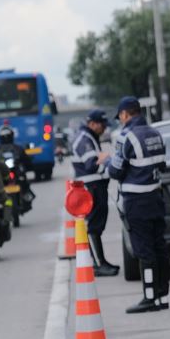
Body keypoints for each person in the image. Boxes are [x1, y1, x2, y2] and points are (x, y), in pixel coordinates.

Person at [108, 96, 169, 313]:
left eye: (121, 117)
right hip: (155, 197)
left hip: (136, 200)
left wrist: (107, 161)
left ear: (125, 114)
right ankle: (162, 296)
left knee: (144, 251)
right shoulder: (156, 133)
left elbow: (115, 170)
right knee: (159, 246)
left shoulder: (126, 136)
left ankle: (149, 297)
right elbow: (162, 165)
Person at [72, 109, 119, 277]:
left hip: (96, 187)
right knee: (93, 226)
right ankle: (98, 264)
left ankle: (101, 262)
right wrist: (106, 160)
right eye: (102, 125)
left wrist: (103, 158)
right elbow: (91, 164)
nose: (104, 128)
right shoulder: (85, 140)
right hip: (91, 188)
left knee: (96, 226)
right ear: (92, 123)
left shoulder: (89, 137)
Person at [0, 123, 36, 215]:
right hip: (2, 174)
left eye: (7, 135)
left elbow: (26, 160)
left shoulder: (18, 148)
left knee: (25, 182)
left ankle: (26, 200)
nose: (6, 137)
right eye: (4, 136)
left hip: (17, 172)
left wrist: (29, 167)